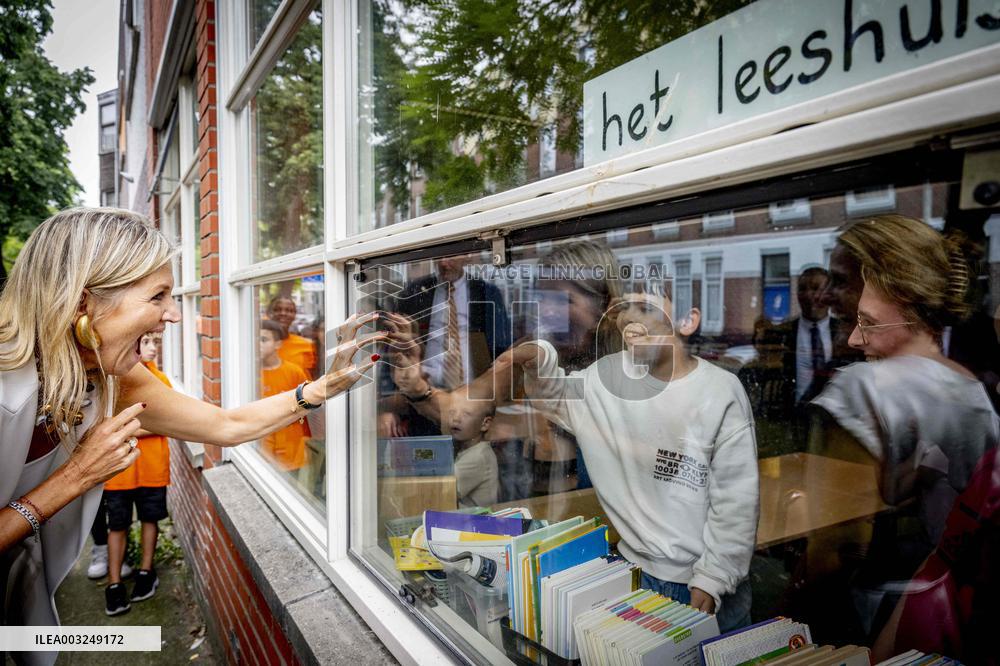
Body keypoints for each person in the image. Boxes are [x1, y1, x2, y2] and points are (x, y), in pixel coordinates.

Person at [0, 208, 383, 665]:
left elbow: (227, 426)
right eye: (158, 296)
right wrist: (76, 476)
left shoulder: (114, 377)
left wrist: (319, 390)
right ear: (84, 304)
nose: (174, 315)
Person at [498, 273, 759, 632]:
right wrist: (537, 359)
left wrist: (714, 576)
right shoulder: (607, 378)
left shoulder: (719, 392)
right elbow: (557, 396)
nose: (628, 319)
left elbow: (736, 499)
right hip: (633, 572)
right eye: (623, 308)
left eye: (644, 307)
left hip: (703, 584)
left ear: (687, 321)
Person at [810, 214, 998, 645]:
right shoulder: (971, 390)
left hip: (879, 615)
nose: (826, 296)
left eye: (840, 280)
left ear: (888, 286)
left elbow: (838, 551)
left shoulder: (863, 389)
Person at [101, 332, 171, 616]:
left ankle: (146, 572)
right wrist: (146, 428)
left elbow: (167, 425)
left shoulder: (162, 383)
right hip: (118, 472)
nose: (153, 348)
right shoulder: (111, 383)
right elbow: (103, 429)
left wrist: (127, 430)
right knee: (117, 525)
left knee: (149, 519)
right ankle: (114, 583)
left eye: (157, 342)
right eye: (146, 343)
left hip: (152, 468)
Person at [259, 320, 312, 473]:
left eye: (264, 339)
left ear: (278, 344)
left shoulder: (294, 372)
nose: (258, 344)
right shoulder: (251, 374)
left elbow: (308, 407)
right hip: (260, 451)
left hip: (291, 450)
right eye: (256, 339)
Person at [447, 395, 500, 508]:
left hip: (474, 522)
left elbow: (441, 490)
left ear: (485, 424)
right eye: (452, 412)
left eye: (466, 413)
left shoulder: (477, 457)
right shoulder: (473, 450)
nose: (456, 418)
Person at [267, 296, 317, 378]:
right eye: (277, 309)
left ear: (294, 315)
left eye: (289, 310)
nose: (283, 313)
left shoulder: (306, 345)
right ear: (269, 313)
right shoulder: (258, 345)